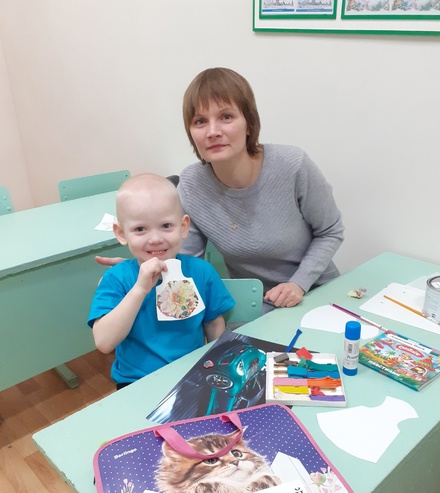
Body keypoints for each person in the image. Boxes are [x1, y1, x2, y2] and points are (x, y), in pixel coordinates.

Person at [97, 67, 344, 313]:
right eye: (200, 121)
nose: (213, 132)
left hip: (316, 290)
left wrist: (298, 284)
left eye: (226, 117)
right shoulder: (191, 184)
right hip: (254, 304)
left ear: (249, 123)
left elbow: (330, 231)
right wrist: (138, 268)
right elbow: (186, 261)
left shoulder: (293, 165)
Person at [88, 173, 234, 389]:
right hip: (136, 382)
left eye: (166, 225)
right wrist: (139, 289)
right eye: (140, 229)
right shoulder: (117, 278)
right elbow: (104, 343)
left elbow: (213, 323)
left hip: (192, 376)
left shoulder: (201, 272)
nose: (155, 239)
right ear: (121, 233)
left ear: (183, 226)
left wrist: (215, 367)